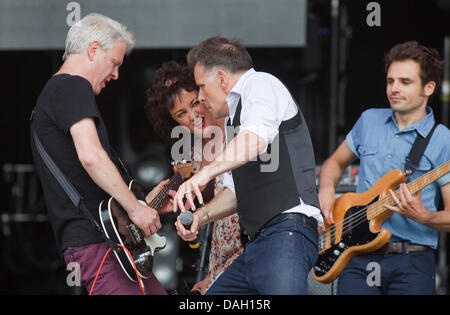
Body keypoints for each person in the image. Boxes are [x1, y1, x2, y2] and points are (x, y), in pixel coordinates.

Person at [30, 13, 170, 295]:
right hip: (98, 244)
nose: (116, 74)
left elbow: (87, 180)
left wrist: (144, 204)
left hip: (102, 243)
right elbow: (91, 157)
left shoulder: (57, 93)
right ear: (93, 50)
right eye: (114, 63)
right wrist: (135, 209)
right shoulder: (71, 85)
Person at [173, 36, 323, 295]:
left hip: (286, 233)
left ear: (221, 78)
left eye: (200, 86)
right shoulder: (235, 122)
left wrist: (204, 174)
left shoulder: (260, 84)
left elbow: (255, 139)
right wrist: (200, 216)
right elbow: (235, 192)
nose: (199, 97)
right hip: (256, 246)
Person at [318, 41, 450, 295]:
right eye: (390, 81)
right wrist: (325, 188)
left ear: (429, 88)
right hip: (357, 257)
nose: (394, 89)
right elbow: (334, 162)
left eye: (405, 82)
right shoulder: (369, 120)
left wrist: (425, 216)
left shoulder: (443, 140)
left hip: (411, 261)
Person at [144, 61, 243, 294]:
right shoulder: (193, 154)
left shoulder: (239, 133)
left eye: (195, 103)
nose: (193, 115)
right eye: (181, 114)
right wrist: (153, 206)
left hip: (252, 255)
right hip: (221, 263)